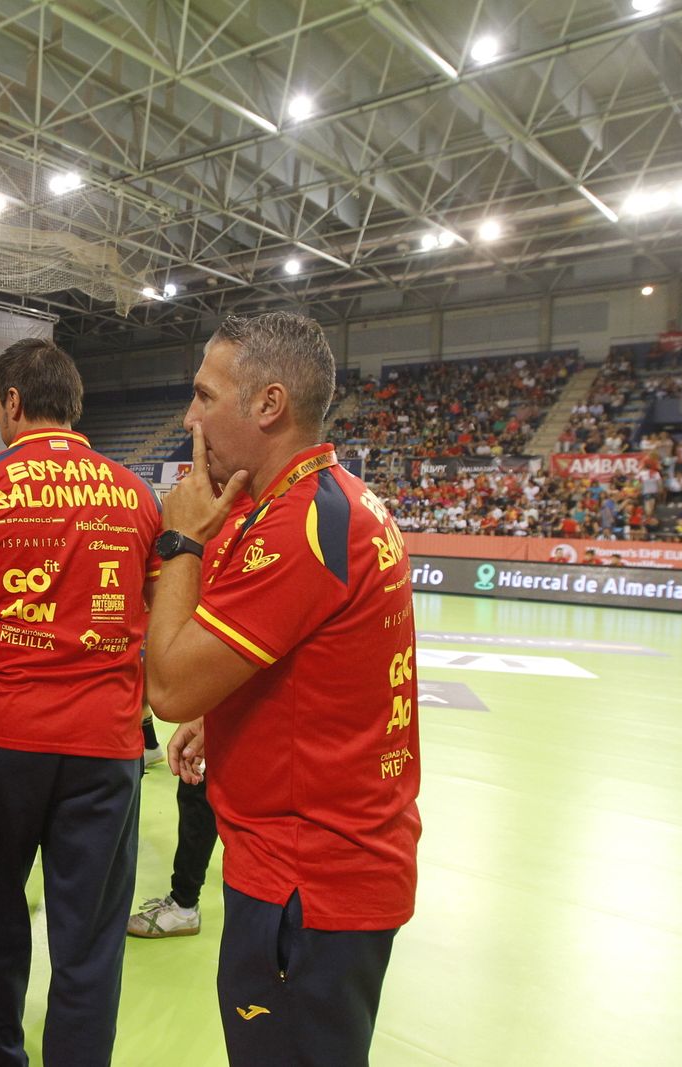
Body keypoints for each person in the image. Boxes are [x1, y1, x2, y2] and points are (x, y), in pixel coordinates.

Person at [144, 312, 420, 1067]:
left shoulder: (295, 525)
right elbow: (316, 661)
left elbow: (166, 683)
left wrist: (181, 541)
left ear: (268, 404)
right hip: (336, 861)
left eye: (204, 395)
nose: (190, 416)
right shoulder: (332, 500)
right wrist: (224, 712)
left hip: (308, 881)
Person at [0, 338, 161, 1066]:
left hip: (0, 737)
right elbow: (159, 621)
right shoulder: (137, 492)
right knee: (89, 942)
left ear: (15, 403)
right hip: (106, 742)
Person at [127, 492, 254, 941]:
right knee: (198, 789)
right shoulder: (235, 516)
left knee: (203, 793)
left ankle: (184, 903)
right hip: (223, 688)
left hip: (233, 688)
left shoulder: (263, 522)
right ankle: (186, 900)